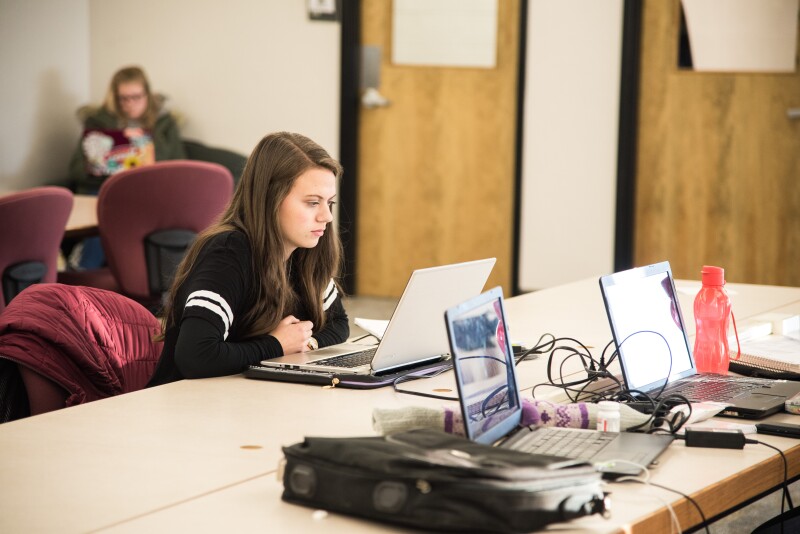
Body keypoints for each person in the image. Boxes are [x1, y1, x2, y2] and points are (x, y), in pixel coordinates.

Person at [146, 132, 349, 386]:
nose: (326, 217)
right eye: (312, 203)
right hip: (187, 407)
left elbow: (338, 323)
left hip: (244, 400)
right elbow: (195, 356)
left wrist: (306, 342)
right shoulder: (228, 252)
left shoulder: (305, 248)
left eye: (329, 203)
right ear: (270, 199)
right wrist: (277, 345)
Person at [66, 66, 186, 269]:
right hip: (106, 190)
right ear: (115, 97)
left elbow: (180, 167)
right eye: (124, 98)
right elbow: (76, 170)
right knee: (108, 209)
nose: (130, 104)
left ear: (147, 95)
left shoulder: (164, 124)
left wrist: (148, 144)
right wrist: (107, 158)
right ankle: (83, 271)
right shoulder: (98, 123)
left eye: (136, 97)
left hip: (150, 192)